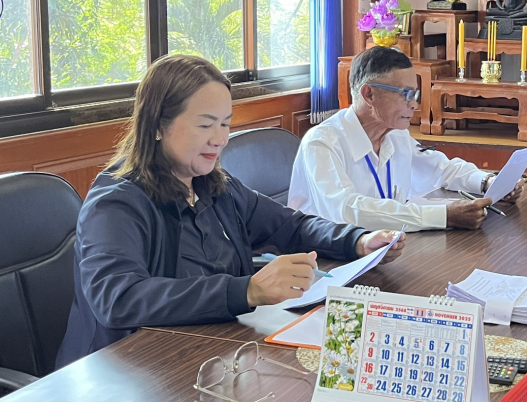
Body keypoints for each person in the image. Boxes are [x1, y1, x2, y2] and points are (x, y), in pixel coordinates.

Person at [56, 55, 405, 367]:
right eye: (206, 125)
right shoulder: (117, 203)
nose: (220, 138)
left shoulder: (213, 184)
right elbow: (118, 299)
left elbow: (290, 226)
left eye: (225, 123)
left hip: (207, 356)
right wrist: (246, 291)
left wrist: (357, 240)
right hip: (126, 374)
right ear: (159, 125)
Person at [289, 46, 523, 232]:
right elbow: (347, 211)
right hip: (326, 262)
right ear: (369, 94)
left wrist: (487, 182)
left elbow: (441, 169)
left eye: (416, 94)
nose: (414, 104)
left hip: (385, 248)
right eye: (405, 94)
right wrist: (444, 216)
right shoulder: (322, 143)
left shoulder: (396, 134)